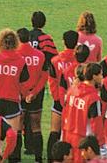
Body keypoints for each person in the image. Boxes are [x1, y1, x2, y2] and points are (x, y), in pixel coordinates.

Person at [0, 29, 31, 163]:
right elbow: (24, 85)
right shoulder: (21, 61)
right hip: (13, 103)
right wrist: (26, 95)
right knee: (13, 138)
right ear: (16, 42)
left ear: (0, 42)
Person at [61, 62, 105, 162]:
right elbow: (96, 124)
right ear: (94, 76)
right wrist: (101, 143)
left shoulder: (72, 90)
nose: (102, 77)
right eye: (101, 74)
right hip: (82, 139)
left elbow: (65, 113)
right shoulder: (94, 98)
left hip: (68, 134)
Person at [47, 32, 79, 163]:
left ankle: (51, 159)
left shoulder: (55, 60)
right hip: (76, 104)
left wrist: (57, 99)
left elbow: (52, 81)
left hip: (59, 103)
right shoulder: (79, 62)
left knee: (54, 132)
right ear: (77, 43)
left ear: (63, 42)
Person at [18, 28, 49, 163]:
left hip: (21, 95)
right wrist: (34, 92)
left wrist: (25, 94)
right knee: (36, 126)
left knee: (18, 127)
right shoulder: (40, 55)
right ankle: (38, 159)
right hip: (36, 95)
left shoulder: (16, 55)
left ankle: (16, 158)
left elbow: (15, 77)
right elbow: (44, 76)